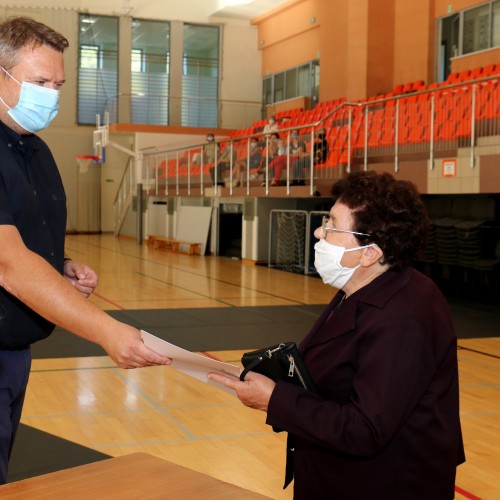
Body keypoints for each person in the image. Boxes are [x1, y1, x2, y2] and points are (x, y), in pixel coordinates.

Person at [209, 171, 465, 499]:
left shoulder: (403, 317)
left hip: (384, 484)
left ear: (370, 252)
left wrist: (275, 399)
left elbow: (365, 429)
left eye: (331, 224)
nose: (319, 231)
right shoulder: (362, 288)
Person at [0, 16, 171, 484]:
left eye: (57, 84)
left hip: (16, 350)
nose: (51, 95)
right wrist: (107, 333)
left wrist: (64, 265)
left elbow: (24, 235)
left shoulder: (34, 151)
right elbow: (9, 263)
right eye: (39, 82)